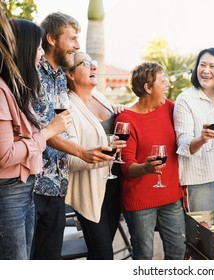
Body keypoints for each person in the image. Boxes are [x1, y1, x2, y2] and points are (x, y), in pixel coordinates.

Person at [32, 12, 114, 260]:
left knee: (49, 260)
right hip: (34, 185)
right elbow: (41, 130)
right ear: (52, 39)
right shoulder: (34, 75)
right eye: (72, 38)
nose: (78, 45)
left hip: (57, 186)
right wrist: (82, 152)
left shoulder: (59, 77)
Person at [0, 14, 70, 259]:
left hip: (25, 186)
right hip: (9, 190)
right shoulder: (1, 92)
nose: (41, 53)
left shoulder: (18, 89)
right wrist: (49, 131)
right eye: (39, 47)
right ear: (26, 48)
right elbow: (5, 155)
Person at [116, 62, 185, 260]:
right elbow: (127, 167)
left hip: (171, 197)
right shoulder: (126, 119)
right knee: (144, 256)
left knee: (178, 251)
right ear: (148, 87)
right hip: (140, 202)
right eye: (162, 81)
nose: (167, 85)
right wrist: (146, 168)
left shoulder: (170, 108)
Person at [64, 52, 126, 259]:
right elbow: (69, 158)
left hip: (114, 186)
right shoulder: (67, 107)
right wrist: (107, 153)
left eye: (94, 63)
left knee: (101, 252)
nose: (94, 68)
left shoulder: (100, 97)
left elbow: (108, 133)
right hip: (90, 191)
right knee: (103, 255)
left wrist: (119, 111)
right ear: (70, 74)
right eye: (86, 63)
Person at [174, 47, 214, 226]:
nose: (205, 71)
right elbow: (183, 142)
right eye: (202, 65)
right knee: (202, 240)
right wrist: (202, 139)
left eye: (211, 66)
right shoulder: (185, 99)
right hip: (199, 180)